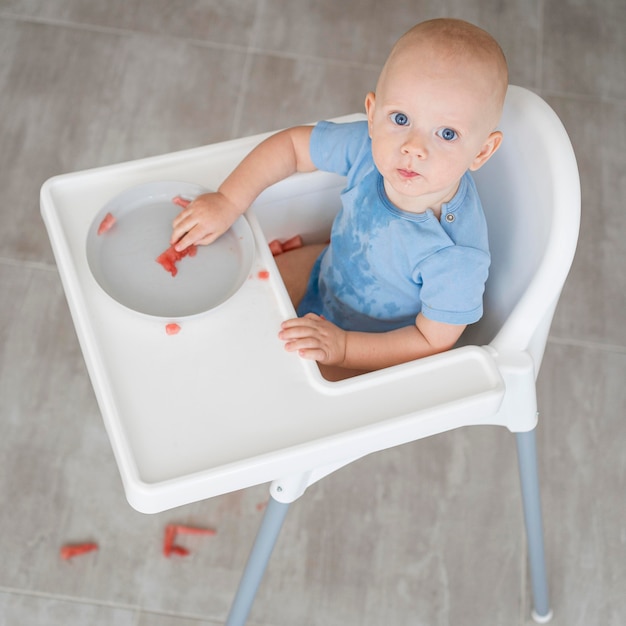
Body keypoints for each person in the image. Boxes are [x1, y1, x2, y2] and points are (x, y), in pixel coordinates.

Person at [170, 18, 509, 380]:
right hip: (325, 275)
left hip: (375, 344)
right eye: (400, 117)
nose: (413, 147)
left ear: (482, 151)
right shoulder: (368, 146)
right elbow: (292, 146)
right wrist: (227, 200)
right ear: (372, 113)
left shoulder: (455, 257)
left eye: (446, 133)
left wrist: (344, 347)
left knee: (282, 384)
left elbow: (432, 340)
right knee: (233, 296)